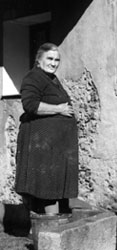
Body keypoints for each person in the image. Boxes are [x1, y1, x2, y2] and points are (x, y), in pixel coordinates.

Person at [15, 42, 78, 216]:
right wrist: (59, 109)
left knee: (53, 184)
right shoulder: (33, 77)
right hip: (41, 142)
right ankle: (48, 226)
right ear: (38, 59)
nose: (54, 63)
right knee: (46, 185)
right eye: (49, 58)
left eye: (57, 60)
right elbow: (30, 105)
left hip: (54, 145)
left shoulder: (51, 78)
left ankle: (50, 226)